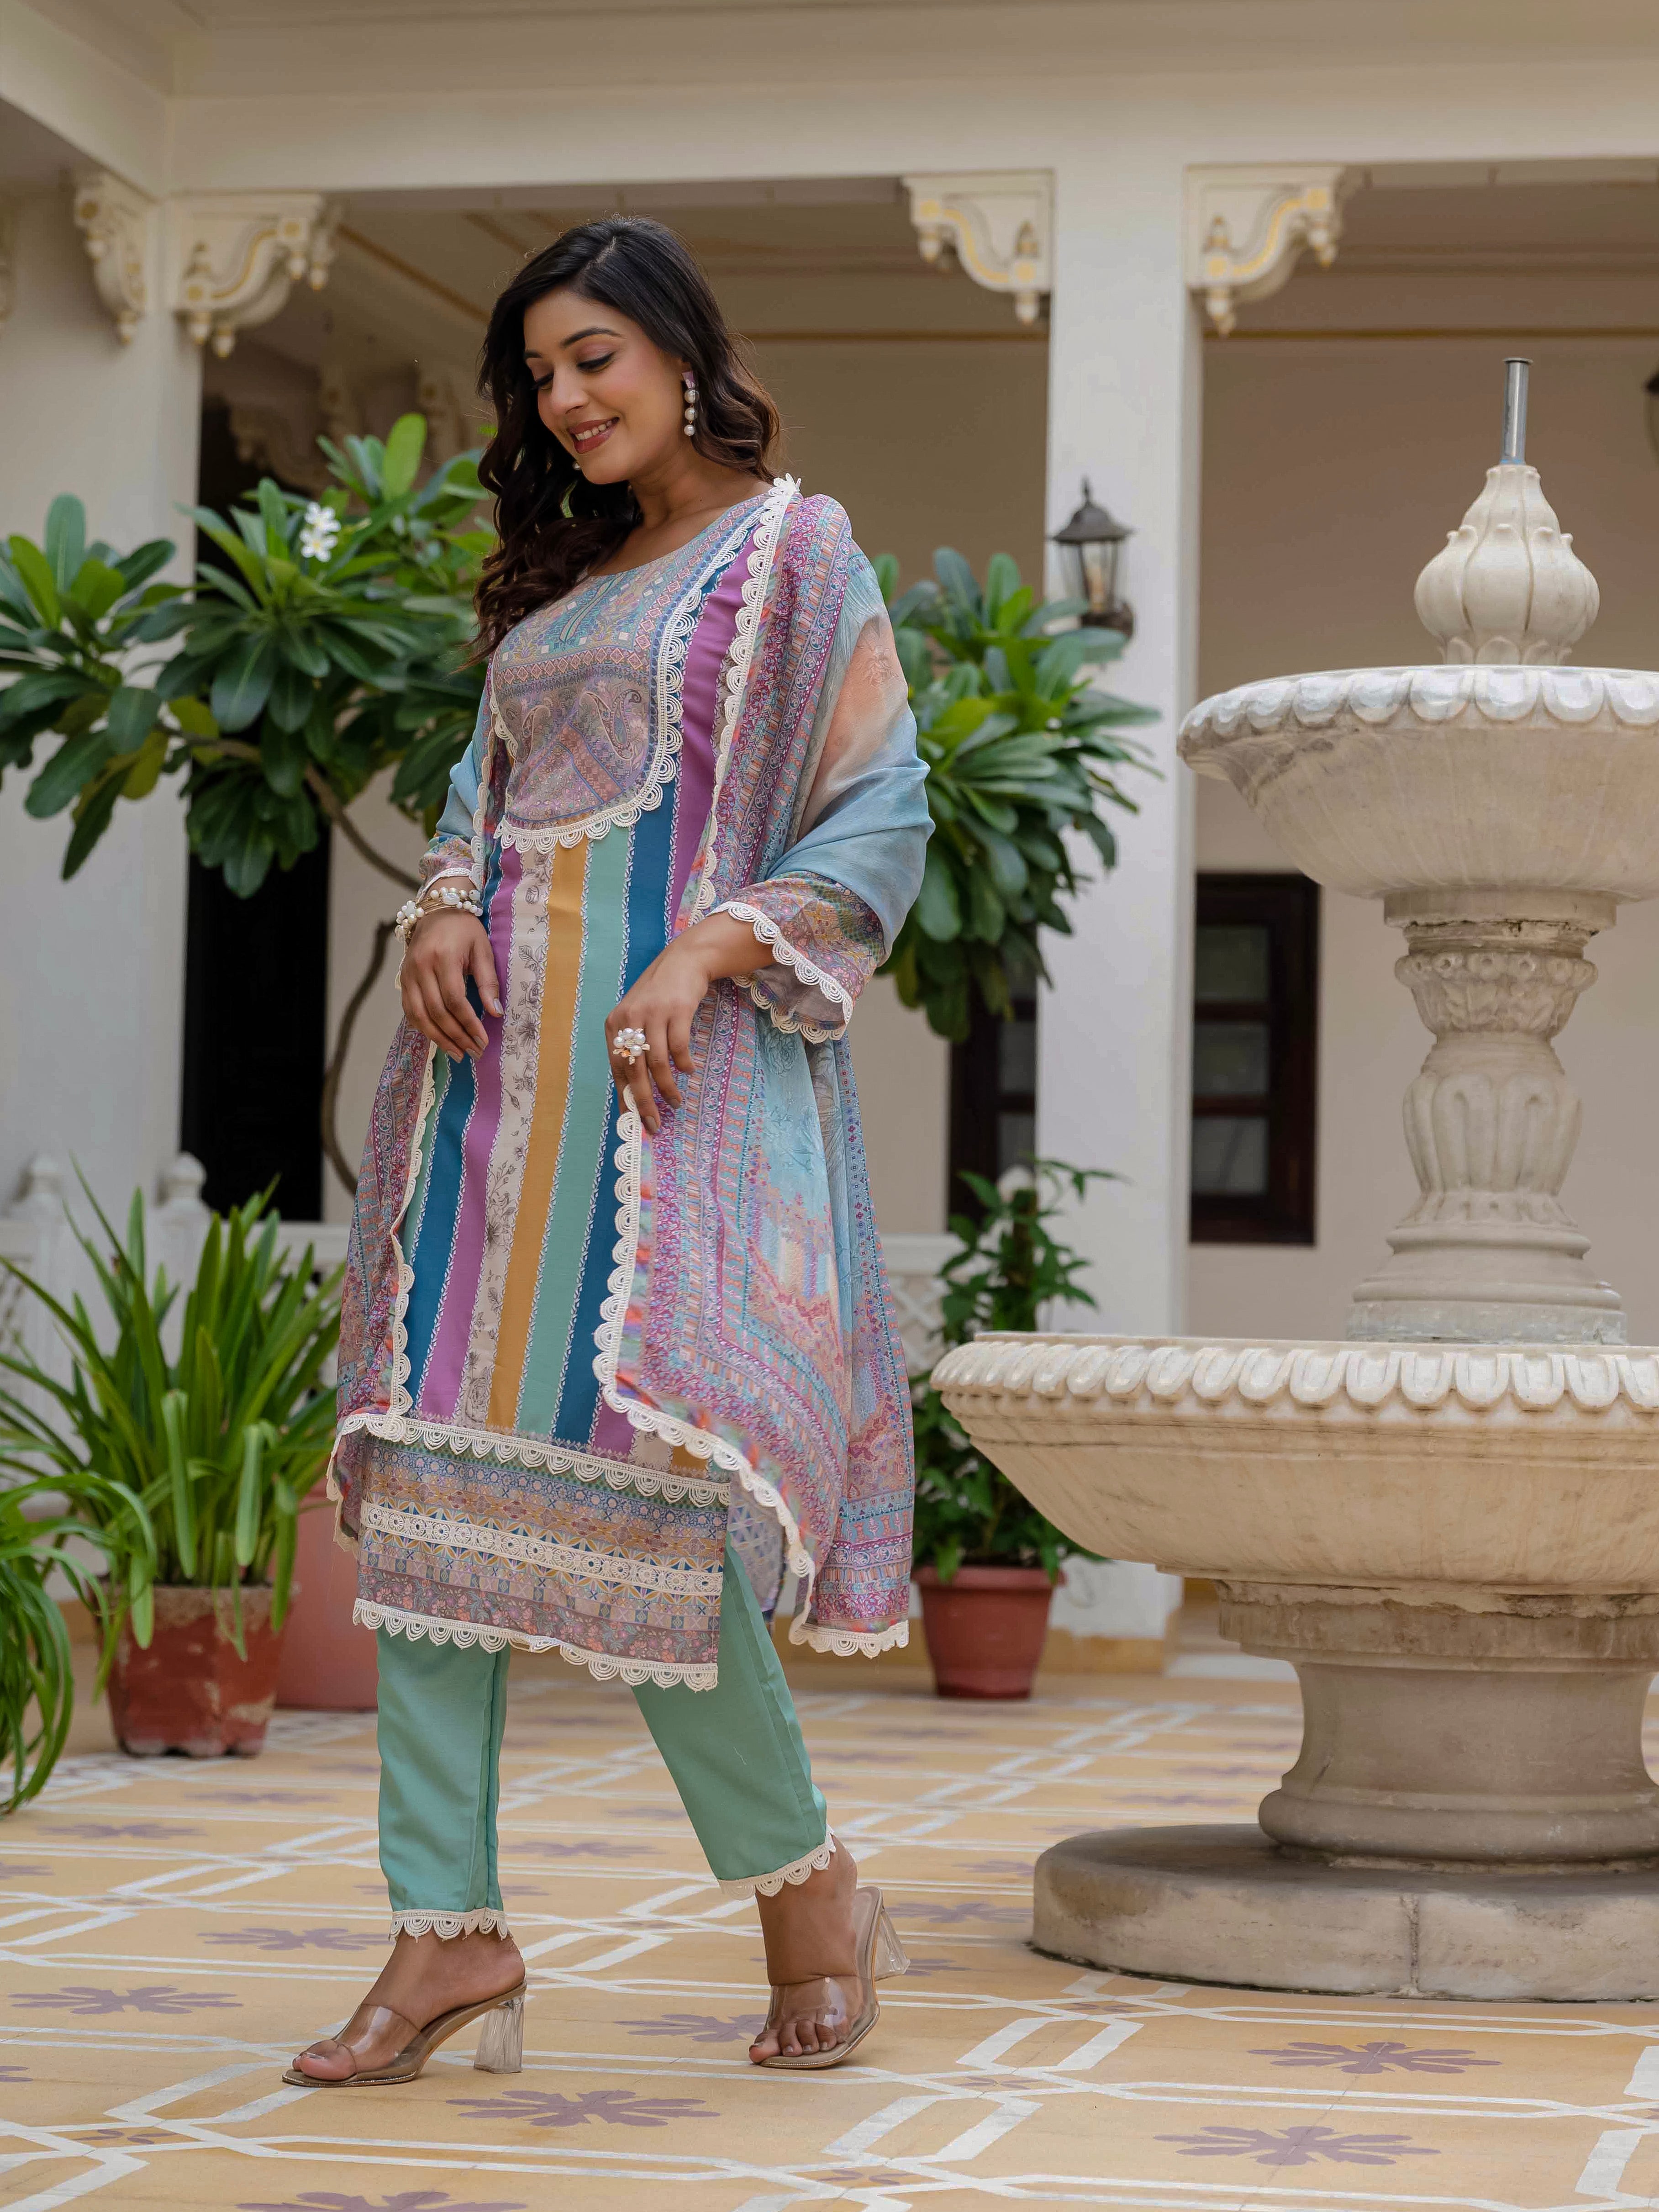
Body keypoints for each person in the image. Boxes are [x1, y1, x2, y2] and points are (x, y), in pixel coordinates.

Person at [285, 216, 929, 2086]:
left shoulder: (791, 551)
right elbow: (484, 812)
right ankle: (444, 1930)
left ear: (676, 348)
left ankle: (802, 1883)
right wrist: (435, 908)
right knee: (429, 1486)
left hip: (662, 1097)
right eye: (541, 377)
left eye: (595, 358)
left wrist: (710, 946)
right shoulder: (552, 593)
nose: (567, 400)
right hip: (487, 1092)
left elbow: (881, 809)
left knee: (641, 1507)